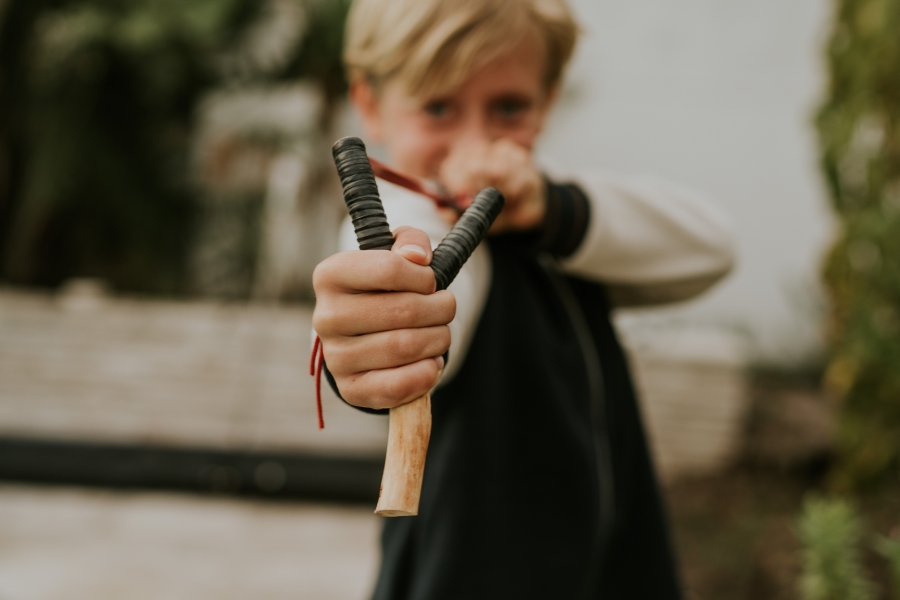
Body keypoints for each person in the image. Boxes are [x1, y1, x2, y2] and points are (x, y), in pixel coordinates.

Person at [312, 0, 735, 597]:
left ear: (549, 98)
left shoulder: (559, 219)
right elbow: (401, 298)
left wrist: (551, 210)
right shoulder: (403, 216)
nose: (476, 141)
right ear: (371, 105)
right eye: (438, 107)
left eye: (508, 107)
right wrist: (370, 337)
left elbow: (712, 248)